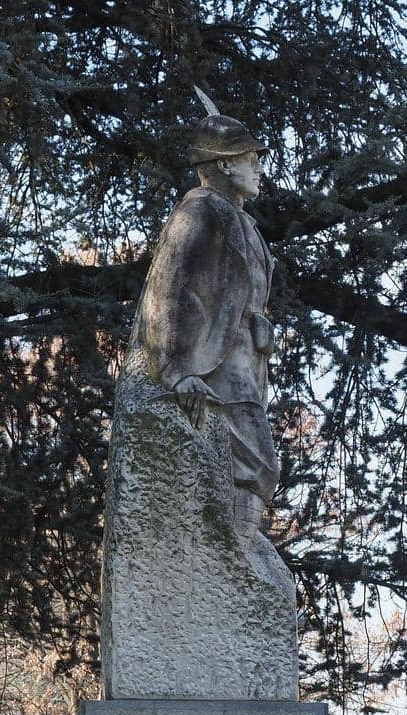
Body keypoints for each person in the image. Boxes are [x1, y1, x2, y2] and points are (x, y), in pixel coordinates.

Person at [127, 110, 279, 539]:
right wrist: (177, 372)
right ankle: (235, 549)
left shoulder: (242, 220)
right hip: (214, 364)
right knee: (256, 458)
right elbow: (171, 289)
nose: (260, 169)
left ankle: (238, 548)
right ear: (227, 164)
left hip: (243, 361)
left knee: (251, 462)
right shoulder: (200, 211)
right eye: (252, 159)